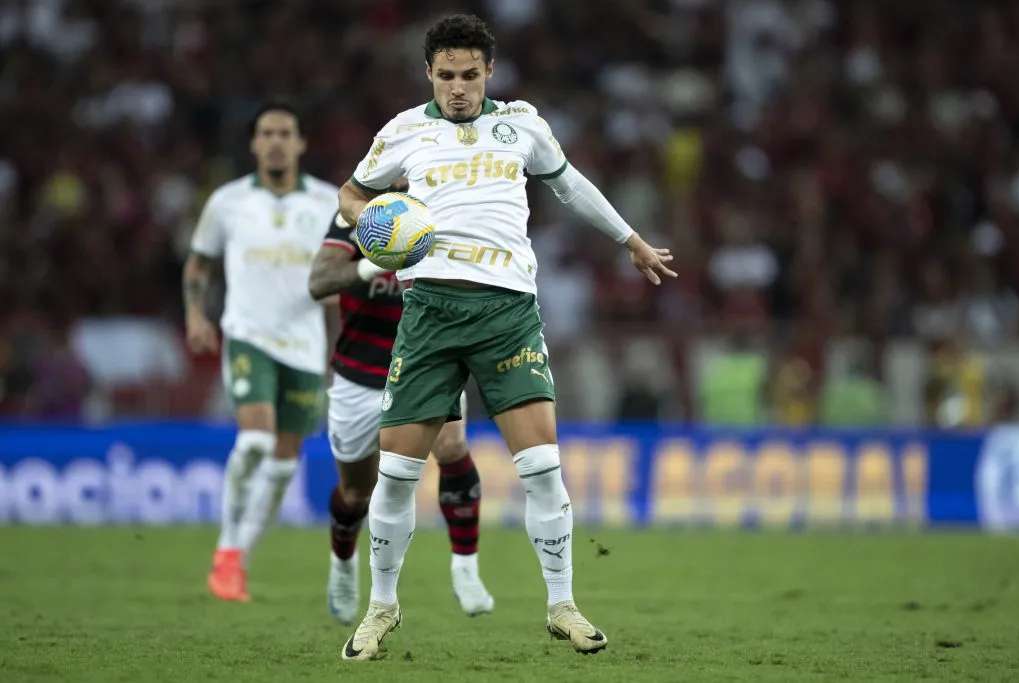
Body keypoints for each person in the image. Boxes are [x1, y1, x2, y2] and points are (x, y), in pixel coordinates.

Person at [335, 14, 676, 660]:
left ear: (489, 72)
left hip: (508, 313)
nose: (458, 87)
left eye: (469, 74)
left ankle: (562, 605)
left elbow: (569, 185)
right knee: (400, 474)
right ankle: (381, 606)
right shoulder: (403, 131)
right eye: (445, 76)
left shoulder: (521, 124)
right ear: (428, 74)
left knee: (543, 466)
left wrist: (629, 240)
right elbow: (351, 195)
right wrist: (378, 218)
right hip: (430, 311)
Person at [306, 197, 494, 625]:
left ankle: (466, 568)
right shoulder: (354, 215)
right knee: (357, 494)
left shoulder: (445, 205)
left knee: (452, 445)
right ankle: (342, 561)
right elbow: (318, 282)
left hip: (426, 363)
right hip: (358, 374)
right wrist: (376, 262)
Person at [183, 101, 338, 602]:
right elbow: (198, 265)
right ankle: (226, 551)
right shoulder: (226, 203)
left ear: (300, 143)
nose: (275, 141)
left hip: (305, 345)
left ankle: (237, 562)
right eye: (266, 132)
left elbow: (348, 268)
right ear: (253, 143)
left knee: (283, 464)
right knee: (253, 442)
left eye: (285, 132)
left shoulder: (327, 202)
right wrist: (195, 315)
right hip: (248, 334)